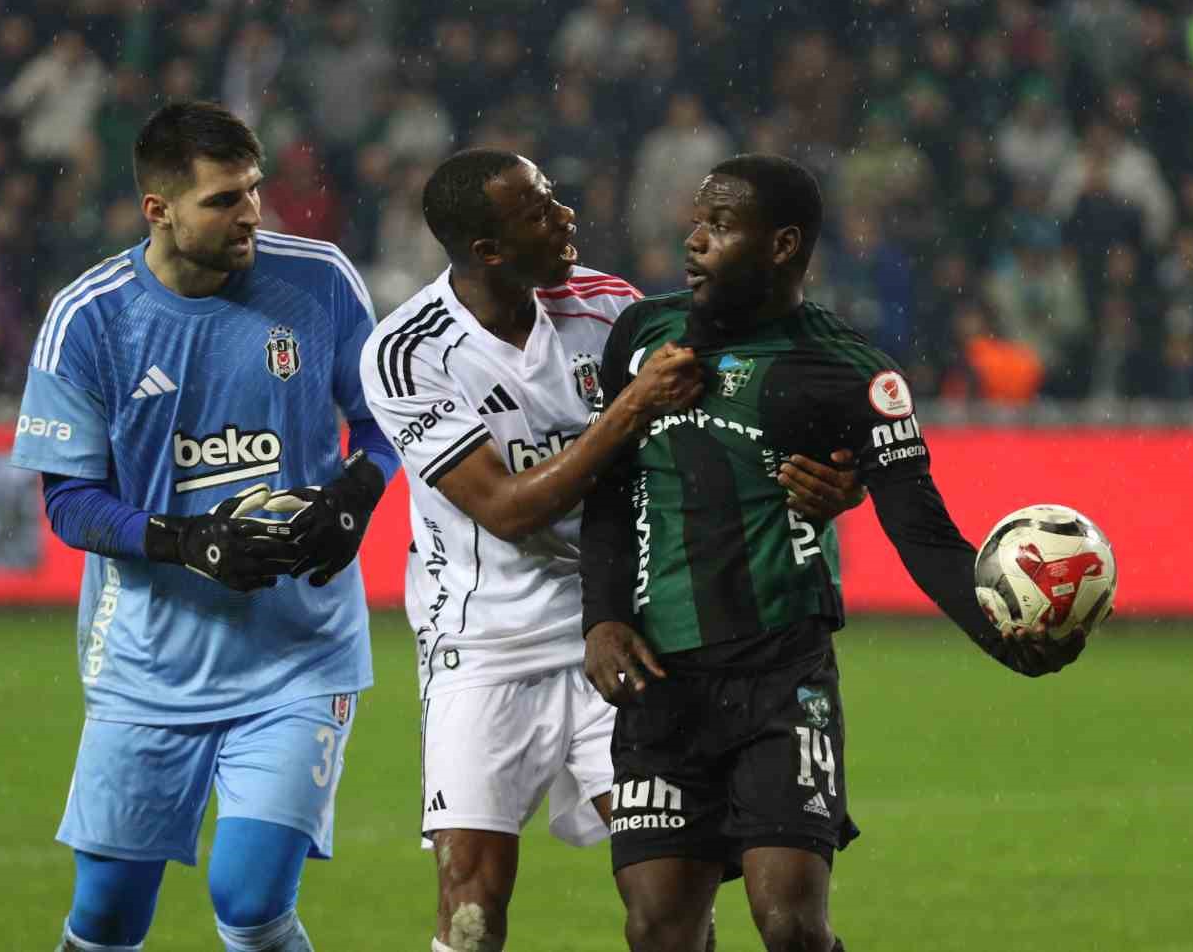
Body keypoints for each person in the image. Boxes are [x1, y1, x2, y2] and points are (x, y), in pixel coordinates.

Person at [581, 154, 1088, 952]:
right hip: (661, 678)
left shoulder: (853, 374)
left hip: (782, 676)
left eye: (720, 225)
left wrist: (1005, 638)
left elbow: (922, 532)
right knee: (658, 929)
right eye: (697, 222)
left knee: (790, 923)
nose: (694, 240)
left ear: (783, 245)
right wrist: (603, 619)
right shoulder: (642, 335)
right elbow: (609, 490)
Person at [359, 148, 862, 952]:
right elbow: (508, 510)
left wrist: (835, 480)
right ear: (488, 250)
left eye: (554, 196)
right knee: (471, 909)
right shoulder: (407, 350)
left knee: (670, 908)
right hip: (484, 645)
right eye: (538, 213)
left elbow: (724, 438)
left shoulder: (611, 308)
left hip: (626, 632)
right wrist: (627, 408)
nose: (566, 217)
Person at [11, 99, 400, 952]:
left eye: (253, 189)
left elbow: (384, 423)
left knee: (251, 900)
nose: (251, 212)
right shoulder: (90, 319)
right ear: (159, 210)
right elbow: (70, 501)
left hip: (299, 653)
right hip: (149, 662)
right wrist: (183, 542)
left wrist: (355, 496)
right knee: (108, 915)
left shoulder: (320, 281)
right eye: (224, 200)